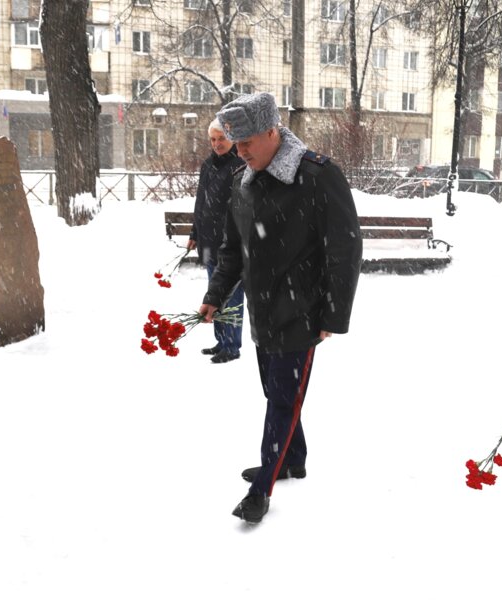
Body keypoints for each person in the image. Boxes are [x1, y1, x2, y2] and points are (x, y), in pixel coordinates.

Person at [198, 92, 362, 524]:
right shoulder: (243, 180)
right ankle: (293, 459)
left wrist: (333, 315)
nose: (241, 150)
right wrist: (216, 294)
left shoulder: (317, 176)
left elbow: (344, 250)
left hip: (302, 311)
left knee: (282, 402)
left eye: (248, 140)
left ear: (273, 131)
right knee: (276, 393)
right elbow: (234, 250)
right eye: (237, 142)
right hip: (261, 310)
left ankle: (262, 487)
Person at [188, 119, 246, 363]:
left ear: (232, 138)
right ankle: (221, 340)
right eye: (213, 139)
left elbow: (241, 208)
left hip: (229, 245)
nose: (217, 144)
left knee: (231, 295)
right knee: (215, 293)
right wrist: (194, 233)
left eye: (221, 138)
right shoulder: (208, 165)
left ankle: (232, 345)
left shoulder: (240, 165)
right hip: (209, 242)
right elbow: (201, 202)